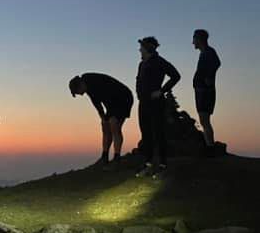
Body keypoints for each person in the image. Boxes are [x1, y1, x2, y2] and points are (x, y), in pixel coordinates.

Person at [135, 37, 180, 179]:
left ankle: (162, 165)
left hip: (156, 103)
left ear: (148, 48)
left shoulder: (160, 62)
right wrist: (139, 95)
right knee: (146, 133)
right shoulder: (142, 64)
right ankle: (148, 164)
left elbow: (175, 76)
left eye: (141, 48)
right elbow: (138, 80)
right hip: (143, 103)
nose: (139, 50)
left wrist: (161, 91)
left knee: (158, 133)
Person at [69, 73, 134, 165]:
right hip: (112, 103)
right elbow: (96, 103)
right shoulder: (88, 86)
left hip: (123, 98)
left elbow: (109, 95)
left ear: (80, 85)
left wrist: (109, 117)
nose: (81, 94)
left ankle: (117, 157)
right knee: (105, 127)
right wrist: (103, 118)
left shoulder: (93, 81)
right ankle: (104, 156)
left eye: (78, 92)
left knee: (114, 125)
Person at [191, 29, 221, 155]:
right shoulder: (204, 53)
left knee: (204, 119)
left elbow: (217, 63)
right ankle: (209, 146)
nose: (193, 42)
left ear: (200, 39)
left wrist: (209, 77)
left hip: (205, 91)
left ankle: (210, 147)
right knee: (204, 120)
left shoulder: (209, 52)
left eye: (194, 39)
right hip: (201, 90)